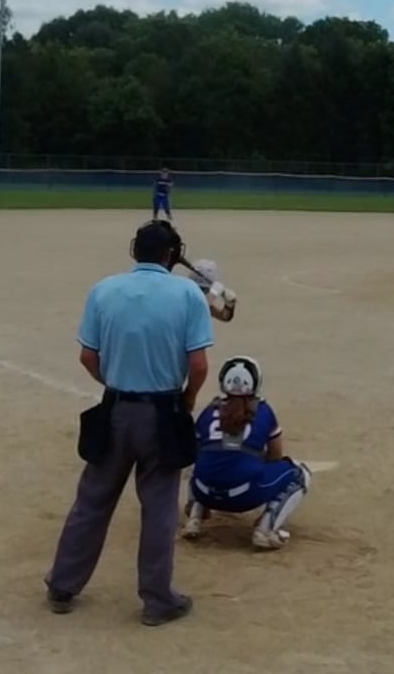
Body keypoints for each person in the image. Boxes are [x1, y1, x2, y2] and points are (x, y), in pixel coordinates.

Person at [44, 221, 213, 626]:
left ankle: (62, 586)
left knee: (92, 500)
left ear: (135, 250)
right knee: (159, 507)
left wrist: (114, 382)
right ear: (172, 255)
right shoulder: (188, 294)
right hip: (163, 412)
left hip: (116, 409)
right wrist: (188, 398)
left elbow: (88, 357)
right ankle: (157, 600)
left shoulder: (104, 290)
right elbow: (199, 365)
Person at [181, 355, 312, 551]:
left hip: (204, 492)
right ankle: (266, 529)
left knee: (205, 458)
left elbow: (194, 450)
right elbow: (276, 455)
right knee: (299, 473)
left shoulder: (209, 410)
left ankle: (195, 516)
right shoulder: (263, 410)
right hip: (244, 497)